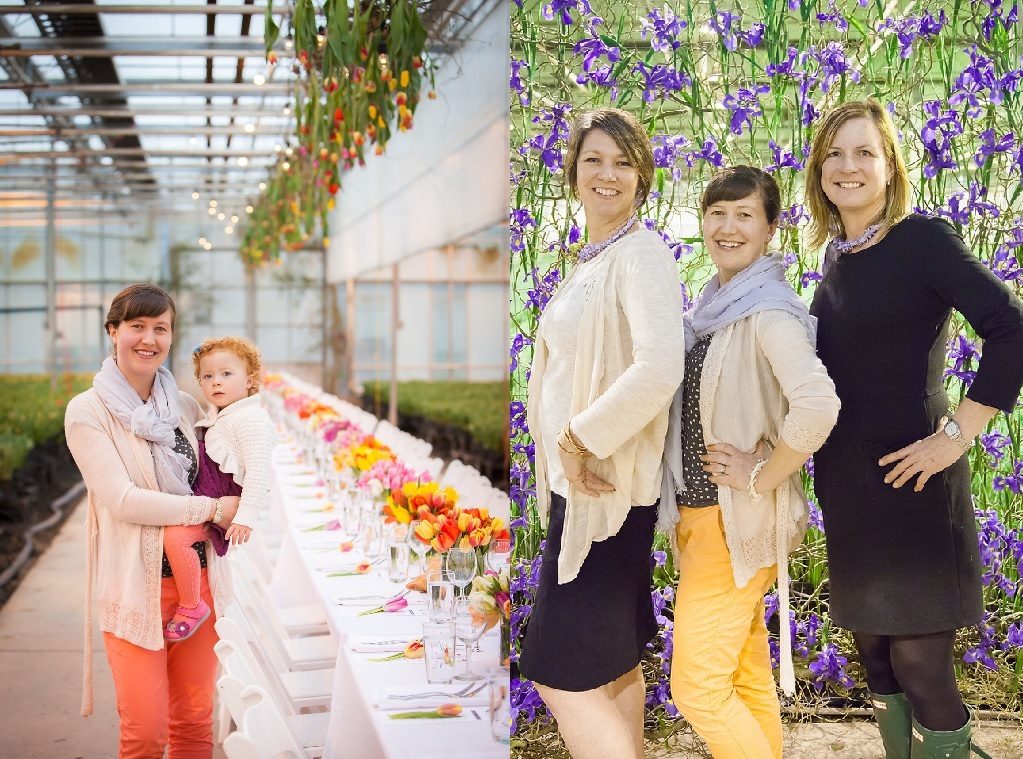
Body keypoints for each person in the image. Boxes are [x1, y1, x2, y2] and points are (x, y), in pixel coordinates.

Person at [806, 99, 1023, 759]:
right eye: (834, 153)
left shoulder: (922, 240)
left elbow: (1011, 327)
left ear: (890, 165)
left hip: (916, 485)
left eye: (863, 151)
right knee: (874, 655)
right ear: (817, 169)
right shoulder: (836, 259)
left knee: (920, 662)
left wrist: (957, 433)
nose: (848, 166)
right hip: (849, 489)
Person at [517, 107, 686, 759]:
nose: (607, 174)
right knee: (613, 665)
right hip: (587, 489)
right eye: (593, 160)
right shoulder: (596, 259)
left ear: (642, 175)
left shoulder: (641, 254)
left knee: (557, 677)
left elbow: (658, 366)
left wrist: (578, 437)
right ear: (572, 173)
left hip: (603, 490)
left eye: (622, 161)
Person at [660, 166, 840, 758]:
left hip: (735, 521)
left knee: (698, 690)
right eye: (717, 213)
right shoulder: (716, 307)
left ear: (770, 229)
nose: (728, 227)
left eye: (744, 215)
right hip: (704, 521)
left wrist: (764, 471)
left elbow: (817, 404)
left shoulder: (768, 312)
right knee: (743, 677)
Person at [64, 284, 242, 758]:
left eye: (160, 328)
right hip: (134, 590)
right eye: (136, 326)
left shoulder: (184, 405)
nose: (149, 338)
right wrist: (209, 511)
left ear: (171, 336)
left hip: (196, 587)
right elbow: (123, 500)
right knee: (145, 732)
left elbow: (221, 473)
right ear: (112, 332)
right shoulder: (88, 411)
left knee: (193, 723)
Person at [162, 337, 276, 642]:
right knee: (173, 534)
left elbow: (258, 472)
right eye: (208, 376)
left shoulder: (253, 419)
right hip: (208, 500)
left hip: (226, 504)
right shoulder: (223, 415)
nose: (216, 382)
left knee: (175, 538)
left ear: (250, 380)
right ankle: (190, 601)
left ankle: (191, 605)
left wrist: (245, 515)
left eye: (227, 374)